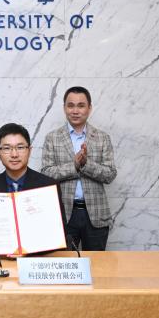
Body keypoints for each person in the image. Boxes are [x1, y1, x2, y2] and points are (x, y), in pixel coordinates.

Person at [42, 86, 117, 251]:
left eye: (81, 105)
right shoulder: (52, 138)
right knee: (65, 270)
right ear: (64, 108)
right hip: (64, 214)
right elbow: (46, 173)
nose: (75, 110)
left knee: (98, 269)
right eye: (70, 105)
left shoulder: (102, 138)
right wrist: (75, 165)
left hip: (96, 215)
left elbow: (110, 174)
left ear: (89, 108)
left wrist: (86, 164)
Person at [0, 123, 65, 235]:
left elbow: (60, 231)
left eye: (20, 147)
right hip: (1, 252)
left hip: (39, 252)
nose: (14, 154)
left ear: (29, 150)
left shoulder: (48, 186)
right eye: (7, 148)